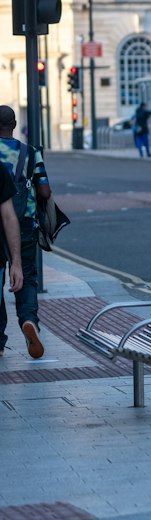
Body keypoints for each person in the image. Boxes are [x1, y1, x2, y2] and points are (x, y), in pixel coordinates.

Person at [0, 105, 44, 359]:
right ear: (14, 125)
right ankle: (29, 320)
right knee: (26, 276)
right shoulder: (30, 153)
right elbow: (45, 191)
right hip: (24, 223)